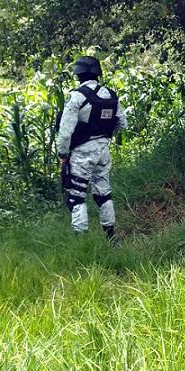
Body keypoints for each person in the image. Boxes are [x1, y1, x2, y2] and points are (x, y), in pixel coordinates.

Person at [57, 56, 127, 241]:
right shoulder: (111, 95)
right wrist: (103, 137)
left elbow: (65, 131)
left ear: (78, 74)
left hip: (81, 153)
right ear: (97, 74)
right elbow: (122, 123)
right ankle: (111, 238)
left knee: (76, 195)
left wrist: (63, 155)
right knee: (104, 193)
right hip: (103, 151)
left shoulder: (77, 96)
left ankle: (81, 242)